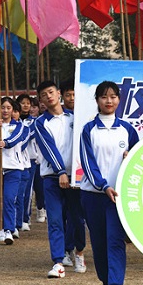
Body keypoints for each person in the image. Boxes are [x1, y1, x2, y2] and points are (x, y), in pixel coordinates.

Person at [79, 81, 139, 285]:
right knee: (100, 241)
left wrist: (130, 156)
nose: (109, 101)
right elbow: (87, 163)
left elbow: (139, 159)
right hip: (93, 195)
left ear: (119, 100)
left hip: (118, 197)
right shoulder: (88, 130)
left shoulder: (127, 129)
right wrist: (103, 186)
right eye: (104, 97)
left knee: (115, 240)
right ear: (97, 100)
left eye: (113, 97)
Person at [34, 80, 74, 279]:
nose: (48, 96)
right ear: (41, 100)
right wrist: (60, 172)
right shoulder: (40, 123)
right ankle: (58, 261)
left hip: (76, 177)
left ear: (59, 93)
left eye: (51, 92)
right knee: (56, 219)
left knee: (75, 218)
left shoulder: (75, 117)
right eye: (43, 95)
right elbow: (49, 149)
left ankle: (70, 249)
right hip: (52, 177)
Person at [0, 97, 29, 245]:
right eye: (3, 107)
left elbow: (16, 138)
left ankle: (9, 229)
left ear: (13, 110)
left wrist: (7, 143)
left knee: (9, 199)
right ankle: (1, 228)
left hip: (13, 169)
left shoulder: (20, 126)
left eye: (8, 108)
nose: (5, 110)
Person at [58, 79, 87, 273]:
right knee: (63, 216)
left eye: (75, 94)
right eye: (68, 95)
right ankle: (66, 251)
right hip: (63, 174)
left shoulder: (87, 116)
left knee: (77, 217)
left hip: (82, 175)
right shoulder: (59, 118)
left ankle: (79, 252)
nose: (72, 98)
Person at [14, 93, 35, 232]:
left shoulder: (32, 122)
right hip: (13, 162)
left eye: (28, 103)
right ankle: (15, 219)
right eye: (23, 103)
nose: (26, 105)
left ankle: (25, 218)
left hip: (29, 160)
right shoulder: (12, 122)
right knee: (15, 193)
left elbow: (27, 138)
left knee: (27, 192)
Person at [32, 98, 47, 223]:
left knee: (44, 187)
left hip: (47, 159)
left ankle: (44, 208)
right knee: (38, 188)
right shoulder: (34, 123)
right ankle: (40, 208)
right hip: (36, 159)